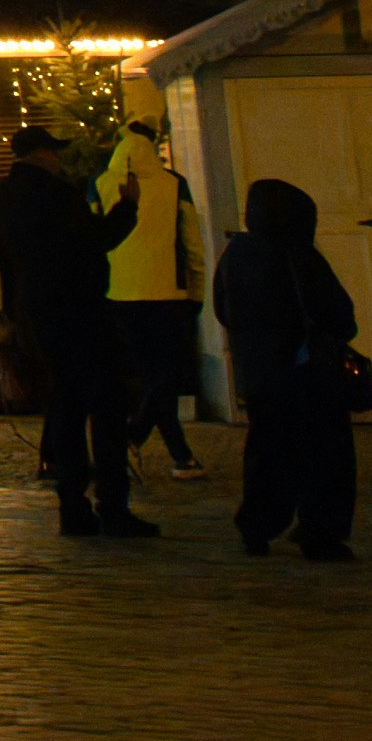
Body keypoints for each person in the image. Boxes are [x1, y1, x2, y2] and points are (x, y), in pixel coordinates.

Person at [0, 117, 144, 536]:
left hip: (36, 309)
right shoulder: (57, 195)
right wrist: (127, 207)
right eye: (54, 152)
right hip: (80, 310)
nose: (59, 160)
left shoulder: (2, 196)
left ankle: (72, 505)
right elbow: (96, 240)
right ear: (42, 155)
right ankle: (113, 504)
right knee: (106, 405)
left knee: (66, 404)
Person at [213, 174, 361, 562]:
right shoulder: (297, 256)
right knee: (324, 456)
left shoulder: (235, 256)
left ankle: (257, 525)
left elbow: (223, 310)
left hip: (260, 374)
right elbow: (339, 315)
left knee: (268, 454)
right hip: (306, 374)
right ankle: (320, 533)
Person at [103, 120, 204, 481]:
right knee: (164, 375)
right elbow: (192, 241)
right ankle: (155, 445)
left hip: (118, 293)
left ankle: (173, 452)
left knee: (151, 376)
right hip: (168, 293)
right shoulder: (175, 184)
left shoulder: (99, 184)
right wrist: (198, 289)